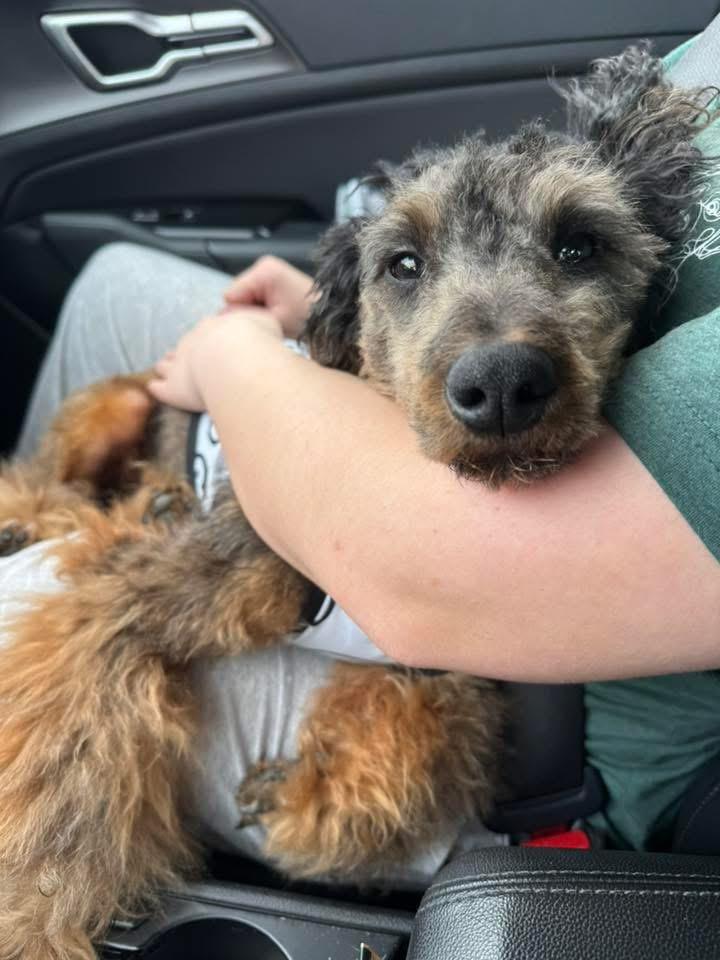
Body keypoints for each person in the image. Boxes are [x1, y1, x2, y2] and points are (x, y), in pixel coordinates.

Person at [10, 31, 720, 858]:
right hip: (398, 508)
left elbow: (414, 587)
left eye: (576, 248)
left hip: (541, 729)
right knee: (112, 281)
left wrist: (229, 357)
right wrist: (319, 314)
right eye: (406, 266)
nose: (494, 371)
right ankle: (59, 501)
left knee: (23, 604)